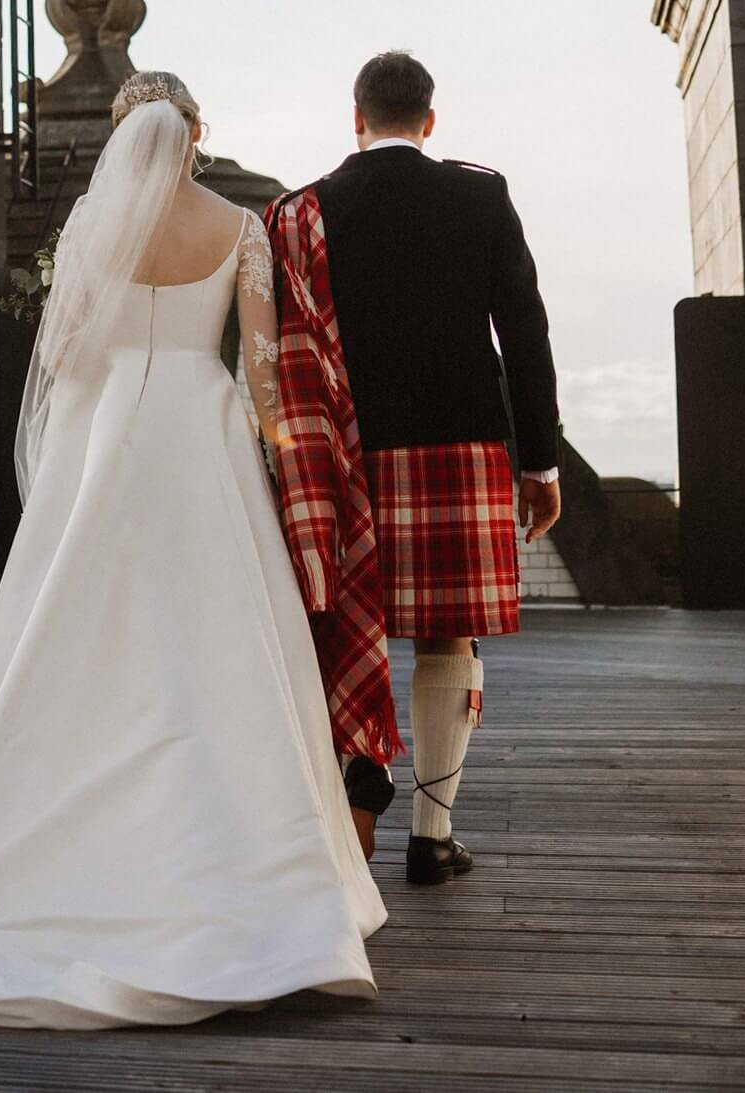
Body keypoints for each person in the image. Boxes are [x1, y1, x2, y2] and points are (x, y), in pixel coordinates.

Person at [0, 70, 384, 1028]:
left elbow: (65, 353)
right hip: (201, 442)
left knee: (83, 634)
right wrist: (285, 455)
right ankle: (253, 866)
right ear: (196, 132)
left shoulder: (90, 229)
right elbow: (257, 369)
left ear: (126, 134)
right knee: (219, 641)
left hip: (107, 436)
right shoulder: (241, 229)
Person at [265, 49, 561, 883]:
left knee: (342, 633)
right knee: (447, 632)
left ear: (354, 119)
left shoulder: (306, 208)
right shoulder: (479, 193)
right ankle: (432, 835)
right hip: (458, 449)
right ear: (430, 121)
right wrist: (538, 462)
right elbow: (525, 333)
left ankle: (354, 790)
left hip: (347, 456)